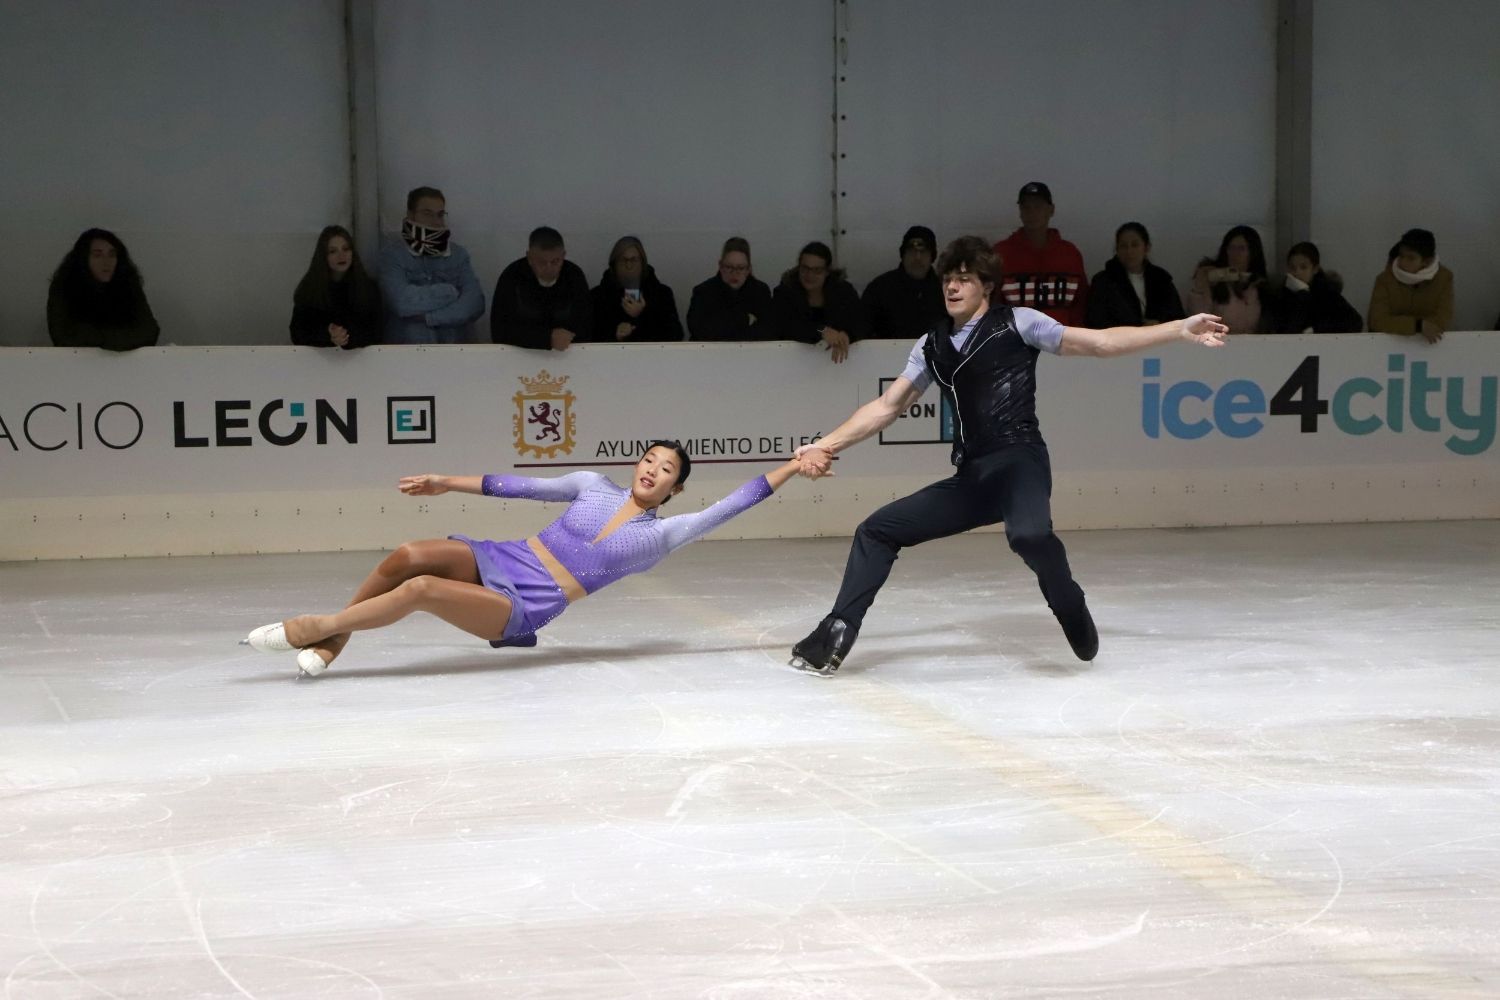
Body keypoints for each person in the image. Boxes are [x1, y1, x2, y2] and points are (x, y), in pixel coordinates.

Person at [787, 236, 1228, 675]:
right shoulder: (930, 344)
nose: (953, 288)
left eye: (965, 279)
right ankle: (837, 630)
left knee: (1028, 536)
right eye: (948, 280)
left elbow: (1100, 343)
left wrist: (1176, 329)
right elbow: (886, 407)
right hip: (973, 477)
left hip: (1020, 462)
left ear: (987, 286)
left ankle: (1068, 602)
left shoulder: (1019, 322)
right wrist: (825, 445)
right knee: (877, 530)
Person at [242, 443, 804, 675]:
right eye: (649, 459)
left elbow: (738, 502)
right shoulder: (591, 485)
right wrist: (445, 481)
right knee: (411, 555)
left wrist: (794, 466)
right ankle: (338, 639)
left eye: (666, 470)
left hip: (524, 604)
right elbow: (516, 486)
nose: (652, 469)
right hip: (504, 556)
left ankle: (317, 628)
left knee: (420, 592)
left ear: (675, 490)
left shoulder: (665, 534)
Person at [378, 187, 485, 344]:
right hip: (407, 353)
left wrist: (429, 317)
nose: (435, 221)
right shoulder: (392, 255)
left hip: (457, 351)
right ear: (410, 214)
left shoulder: (458, 254)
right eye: (427, 213)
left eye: (440, 214)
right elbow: (401, 302)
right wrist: (449, 292)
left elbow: (474, 304)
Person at [993, 182, 1089, 327]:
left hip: (1062, 342)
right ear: (1020, 211)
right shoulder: (1001, 253)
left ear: (1051, 210)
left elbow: (1081, 303)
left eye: (1038, 206)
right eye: (1026, 207)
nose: (1032, 212)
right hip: (1016, 344)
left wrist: (1074, 336)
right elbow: (992, 303)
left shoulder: (1070, 254)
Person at [47, 229, 160, 350]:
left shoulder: (129, 285)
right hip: (77, 365)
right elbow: (63, 336)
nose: (106, 262)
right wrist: (115, 340)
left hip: (127, 366)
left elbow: (149, 331)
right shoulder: (64, 287)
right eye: (97, 255)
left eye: (112, 255)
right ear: (84, 259)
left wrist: (103, 340)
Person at [490, 227, 593, 350]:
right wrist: (545, 338)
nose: (549, 268)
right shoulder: (512, 276)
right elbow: (499, 331)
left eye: (555, 261)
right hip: (521, 354)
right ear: (529, 258)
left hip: (567, 353)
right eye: (541, 262)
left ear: (563, 256)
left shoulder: (574, 276)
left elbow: (587, 326)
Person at [771, 241, 865, 362]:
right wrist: (821, 330)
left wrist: (848, 334)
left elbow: (860, 321)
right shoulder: (785, 292)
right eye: (805, 268)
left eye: (817, 270)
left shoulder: (843, 291)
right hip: (792, 361)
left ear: (827, 271)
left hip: (838, 364)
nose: (809, 275)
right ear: (798, 267)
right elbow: (787, 325)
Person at [289, 225, 382, 349]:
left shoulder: (368, 288)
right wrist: (327, 335)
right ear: (323, 256)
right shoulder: (310, 289)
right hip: (317, 363)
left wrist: (346, 337)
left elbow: (376, 332)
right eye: (333, 251)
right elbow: (298, 333)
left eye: (346, 249)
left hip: (360, 362)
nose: (341, 255)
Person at [1083, 222, 1186, 328]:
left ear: (1146, 248)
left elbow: (1178, 319)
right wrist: (1138, 329)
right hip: (1120, 342)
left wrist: (1158, 326)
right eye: (1123, 246)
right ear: (1117, 250)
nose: (1129, 251)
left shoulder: (1162, 279)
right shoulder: (1102, 281)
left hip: (1161, 341)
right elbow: (1095, 321)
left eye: (1135, 245)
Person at [589, 236, 684, 342]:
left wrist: (641, 316)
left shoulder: (661, 294)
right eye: (623, 260)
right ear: (614, 264)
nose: (629, 265)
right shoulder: (597, 296)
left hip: (653, 357)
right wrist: (614, 334)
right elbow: (586, 336)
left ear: (643, 263)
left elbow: (675, 336)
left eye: (634, 260)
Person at [1367, 228, 1454, 343]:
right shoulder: (1385, 279)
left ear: (1426, 261)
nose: (1403, 262)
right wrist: (1418, 325)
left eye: (1410, 258)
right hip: (1388, 346)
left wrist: (1401, 325)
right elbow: (1377, 320)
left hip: (1430, 348)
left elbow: (1443, 319)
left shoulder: (1444, 278)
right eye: (1401, 256)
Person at [861, 225, 945, 340]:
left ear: (932, 256)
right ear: (903, 255)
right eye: (912, 251)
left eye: (923, 252)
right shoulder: (880, 289)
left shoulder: (946, 290)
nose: (917, 257)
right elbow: (861, 328)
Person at [1185, 225, 1272, 335]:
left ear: (1252, 252)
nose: (1235, 254)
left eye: (1241, 249)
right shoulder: (1213, 279)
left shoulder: (1260, 284)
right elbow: (1199, 318)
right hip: (1220, 342)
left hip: (1254, 344)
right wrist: (1201, 285)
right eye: (1231, 248)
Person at [686, 237, 774, 341]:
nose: (734, 273)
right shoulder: (703, 292)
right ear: (720, 266)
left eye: (740, 268)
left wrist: (722, 323)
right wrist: (745, 319)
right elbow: (699, 331)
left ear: (748, 269)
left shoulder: (760, 291)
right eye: (729, 267)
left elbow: (768, 332)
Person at [1276, 241, 1362, 333]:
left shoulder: (1326, 292)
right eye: (1292, 268)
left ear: (1315, 269)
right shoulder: (1284, 293)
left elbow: (1355, 322)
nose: (1297, 273)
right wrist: (1302, 294)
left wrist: (1316, 329)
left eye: (1303, 267)